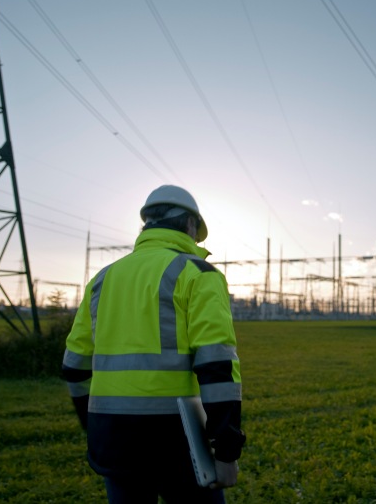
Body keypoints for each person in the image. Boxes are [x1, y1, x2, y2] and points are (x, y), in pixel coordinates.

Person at [62, 185, 245, 503]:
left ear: (146, 225)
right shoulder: (198, 273)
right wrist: (226, 453)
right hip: (179, 443)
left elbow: (73, 367)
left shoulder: (102, 280)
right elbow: (216, 367)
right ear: (189, 225)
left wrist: (91, 425)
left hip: (112, 439)